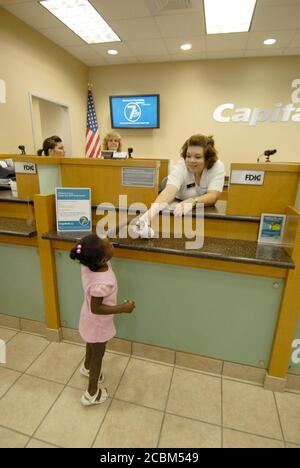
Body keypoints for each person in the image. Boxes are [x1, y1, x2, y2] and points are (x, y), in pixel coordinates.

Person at [70, 234, 135, 406]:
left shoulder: (87, 262)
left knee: (90, 344)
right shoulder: (102, 282)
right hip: (98, 323)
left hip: (88, 320)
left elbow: (101, 240)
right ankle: (91, 393)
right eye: (108, 245)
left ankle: (86, 367)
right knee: (98, 355)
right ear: (103, 258)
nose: (109, 242)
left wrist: (127, 222)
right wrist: (123, 308)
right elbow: (96, 307)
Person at [140, 134, 225, 225]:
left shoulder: (217, 167)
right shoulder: (181, 166)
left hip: (200, 207)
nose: (191, 161)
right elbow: (169, 191)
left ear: (207, 159)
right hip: (176, 201)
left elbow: (213, 195)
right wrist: (150, 213)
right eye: (188, 156)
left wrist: (194, 201)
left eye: (197, 157)